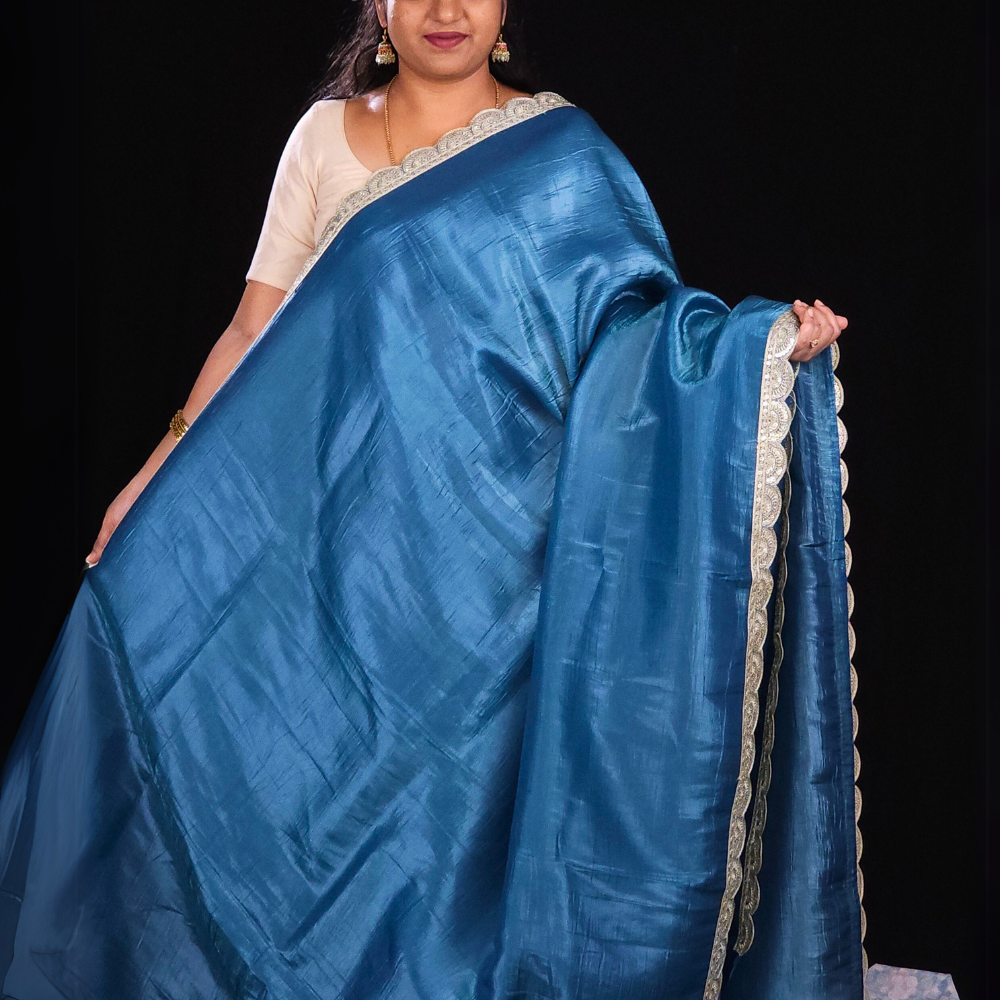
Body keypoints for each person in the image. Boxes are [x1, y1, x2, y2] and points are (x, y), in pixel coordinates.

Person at [0, 2, 862, 999]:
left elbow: (636, 351)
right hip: (323, 560)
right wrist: (155, 471)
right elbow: (249, 332)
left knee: (433, 864)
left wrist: (761, 348)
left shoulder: (564, 159)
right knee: (260, 788)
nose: (445, 10)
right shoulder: (324, 137)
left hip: (489, 592)